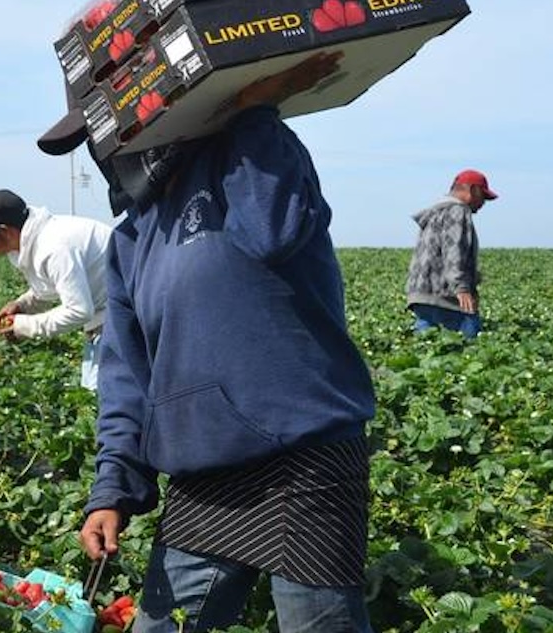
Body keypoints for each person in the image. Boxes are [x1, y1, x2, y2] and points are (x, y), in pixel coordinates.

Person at [38, 52, 377, 632]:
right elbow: (126, 380)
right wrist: (112, 488)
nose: (105, 147)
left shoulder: (247, 159)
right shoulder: (130, 241)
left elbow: (274, 232)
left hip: (302, 461)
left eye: (107, 127)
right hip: (201, 479)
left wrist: (254, 113)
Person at [0, 189, 112, 391]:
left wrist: (24, 326)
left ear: (4, 231)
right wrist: (22, 305)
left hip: (125, 314)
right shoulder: (35, 241)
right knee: (95, 393)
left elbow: (79, 310)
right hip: (106, 315)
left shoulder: (54, 247)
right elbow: (49, 288)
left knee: (104, 397)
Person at [405, 169, 498, 339]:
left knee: (426, 350)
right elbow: (453, 251)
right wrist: (461, 288)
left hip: (421, 295)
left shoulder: (435, 214)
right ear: (472, 190)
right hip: (446, 296)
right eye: (482, 197)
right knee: (469, 344)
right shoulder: (458, 212)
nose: (483, 203)